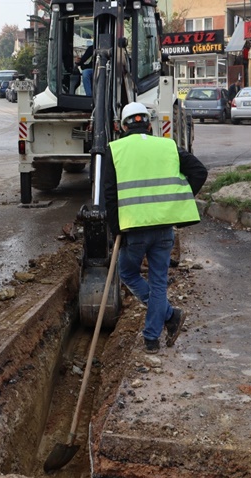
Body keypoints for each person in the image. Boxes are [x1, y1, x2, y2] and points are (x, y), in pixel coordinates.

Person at [102, 102, 207, 354]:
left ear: (122, 126)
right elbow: (199, 172)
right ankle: (154, 336)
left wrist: (116, 229)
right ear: (150, 125)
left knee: (127, 273)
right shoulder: (168, 146)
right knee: (159, 284)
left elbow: (109, 195)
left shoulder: (114, 150)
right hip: (163, 228)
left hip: (134, 229)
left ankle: (167, 319)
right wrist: (178, 201)